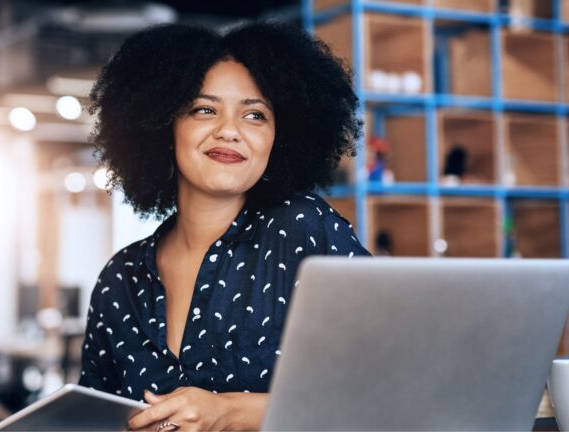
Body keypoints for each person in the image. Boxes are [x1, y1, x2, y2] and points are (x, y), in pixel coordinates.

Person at [79, 21, 371, 431]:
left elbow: (379, 392)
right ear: (163, 126)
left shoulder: (304, 230)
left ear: (278, 138)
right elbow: (91, 419)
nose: (230, 131)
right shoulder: (120, 280)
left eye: (255, 115)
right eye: (204, 109)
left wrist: (231, 412)